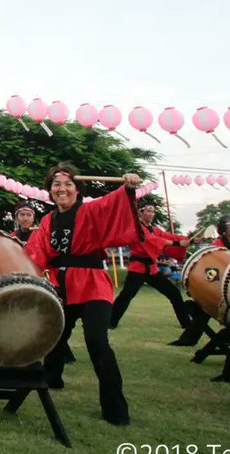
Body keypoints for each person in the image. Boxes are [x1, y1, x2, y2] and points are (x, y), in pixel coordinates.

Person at [23, 163, 144, 426]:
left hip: (91, 284)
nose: (62, 188)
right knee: (55, 335)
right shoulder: (47, 221)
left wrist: (129, 187)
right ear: (50, 190)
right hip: (61, 283)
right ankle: (51, 378)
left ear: (77, 189)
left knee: (97, 341)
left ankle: (115, 409)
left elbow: (113, 202)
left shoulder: (90, 210)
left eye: (67, 184)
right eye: (56, 184)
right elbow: (37, 252)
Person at [110, 201, 190, 330]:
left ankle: (186, 323)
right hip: (138, 268)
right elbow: (152, 240)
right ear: (140, 212)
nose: (151, 214)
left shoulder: (154, 229)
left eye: (153, 211)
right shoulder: (136, 228)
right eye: (148, 211)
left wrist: (187, 239)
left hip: (152, 269)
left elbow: (169, 236)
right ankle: (110, 321)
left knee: (173, 292)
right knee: (126, 295)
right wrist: (176, 244)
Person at [170, 214, 230, 348]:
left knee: (203, 312)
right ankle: (189, 340)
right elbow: (211, 268)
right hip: (218, 283)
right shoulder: (216, 246)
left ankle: (189, 339)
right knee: (204, 309)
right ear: (224, 230)